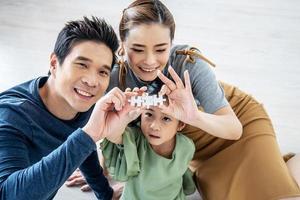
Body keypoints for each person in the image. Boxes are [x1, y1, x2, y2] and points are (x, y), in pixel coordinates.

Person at [67, 0, 300, 199]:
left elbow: (233, 129)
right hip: (188, 146)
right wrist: (112, 169)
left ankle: (275, 162)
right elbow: (112, 124)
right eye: (137, 49)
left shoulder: (188, 63)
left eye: (160, 49)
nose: (150, 60)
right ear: (122, 46)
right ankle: (278, 164)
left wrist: (193, 115)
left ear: (171, 43)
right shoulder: (115, 76)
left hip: (233, 125)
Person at [0, 16, 127, 200]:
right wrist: (89, 134)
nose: (92, 81)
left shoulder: (81, 101)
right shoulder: (11, 115)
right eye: (82, 64)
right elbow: (8, 195)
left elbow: (82, 140)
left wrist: (105, 194)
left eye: (102, 72)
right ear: (54, 63)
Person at [101, 88, 196, 200]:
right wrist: (121, 115)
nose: (154, 126)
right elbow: (113, 135)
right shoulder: (135, 138)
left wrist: (189, 187)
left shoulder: (187, 146)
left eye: (166, 118)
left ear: (180, 125)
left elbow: (181, 171)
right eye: (149, 114)